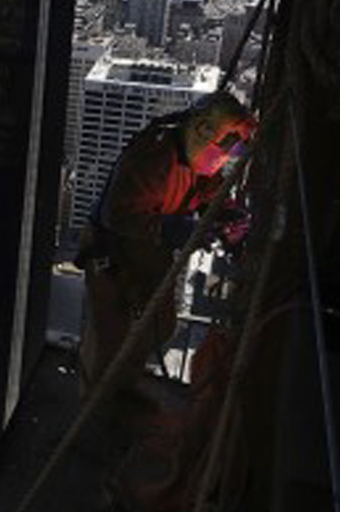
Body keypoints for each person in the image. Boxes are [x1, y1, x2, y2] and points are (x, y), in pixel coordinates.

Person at [77, 92, 257, 389]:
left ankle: (123, 388)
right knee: (109, 338)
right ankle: (98, 407)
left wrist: (227, 214)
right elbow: (118, 216)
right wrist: (180, 229)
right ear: (203, 130)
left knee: (159, 326)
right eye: (223, 148)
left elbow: (211, 191)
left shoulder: (197, 161)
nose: (224, 158)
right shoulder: (154, 155)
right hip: (111, 252)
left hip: (148, 253)